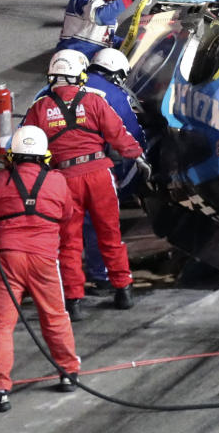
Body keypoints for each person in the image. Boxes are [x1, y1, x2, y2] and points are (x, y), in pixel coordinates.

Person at [23, 50, 148, 321]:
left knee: (69, 242)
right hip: (99, 174)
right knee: (110, 235)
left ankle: (74, 300)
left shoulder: (39, 108)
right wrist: (137, 156)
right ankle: (123, 289)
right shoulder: (94, 101)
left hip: (64, 179)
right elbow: (119, 134)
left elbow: (26, 148)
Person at [0, 125, 81, 413]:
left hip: (7, 260)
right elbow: (67, 214)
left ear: (12, 155)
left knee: (0, 326)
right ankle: (68, 372)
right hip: (45, 259)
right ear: (44, 155)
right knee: (56, 317)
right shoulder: (58, 181)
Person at [79, 48, 147, 289]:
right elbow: (130, 135)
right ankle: (111, 282)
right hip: (96, 171)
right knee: (105, 229)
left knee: (65, 236)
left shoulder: (49, 94)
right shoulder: (114, 95)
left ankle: (70, 293)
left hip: (55, 175)